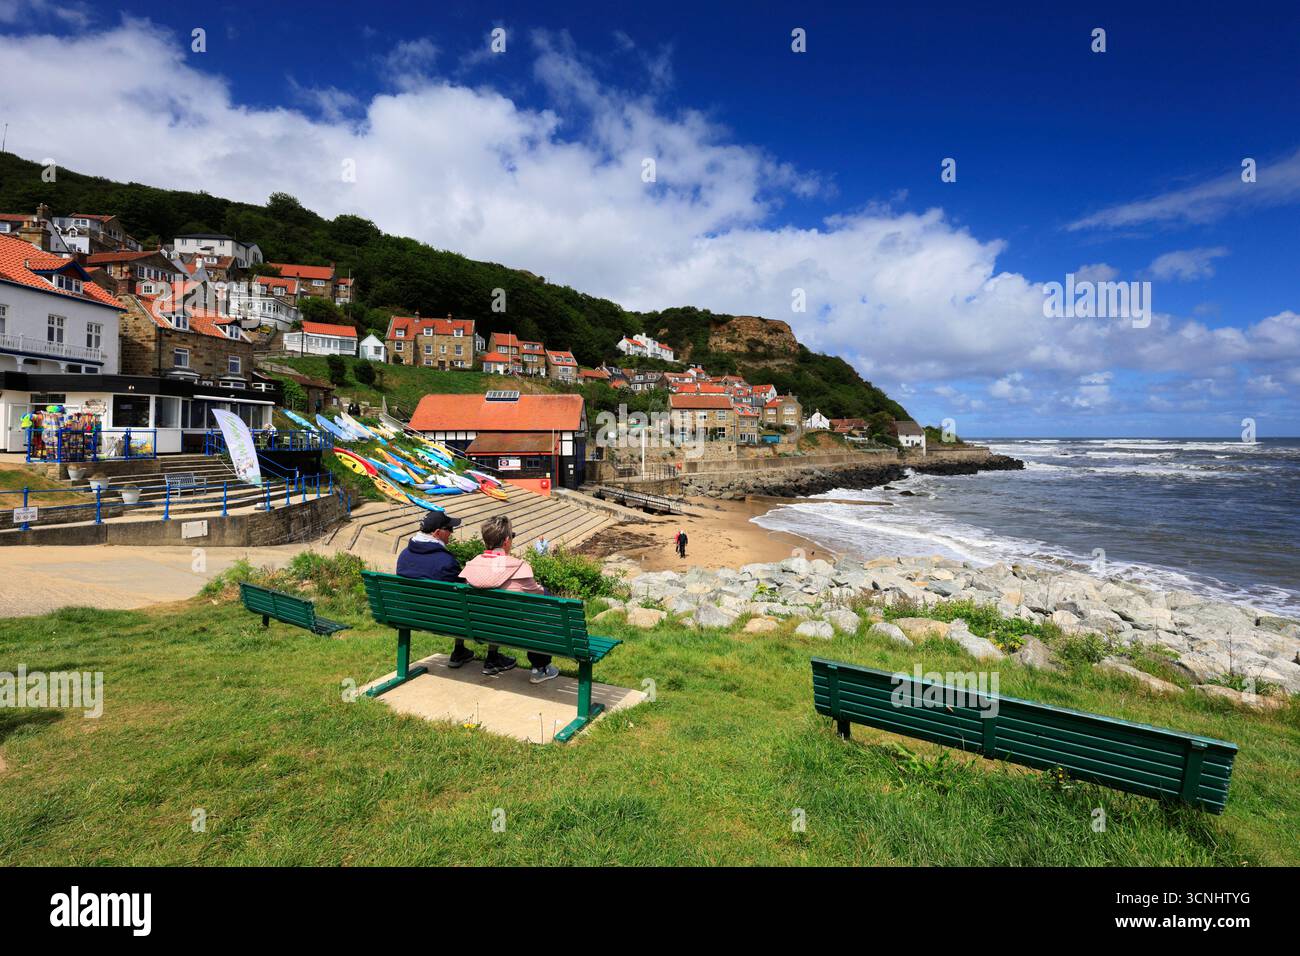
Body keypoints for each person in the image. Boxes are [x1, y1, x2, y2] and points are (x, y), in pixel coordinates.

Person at [461, 515, 560, 684]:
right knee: (544, 607)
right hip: (516, 631)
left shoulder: (471, 567)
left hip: (482, 627)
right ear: (507, 541)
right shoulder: (520, 567)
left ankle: (493, 657)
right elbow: (540, 596)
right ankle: (540, 667)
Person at [395, 510, 487, 670]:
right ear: (437, 533)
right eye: (449, 529)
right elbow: (462, 593)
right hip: (443, 619)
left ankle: (460, 651)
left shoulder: (404, 555)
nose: (452, 533)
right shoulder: (446, 561)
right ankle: (467, 652)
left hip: (409, 614)